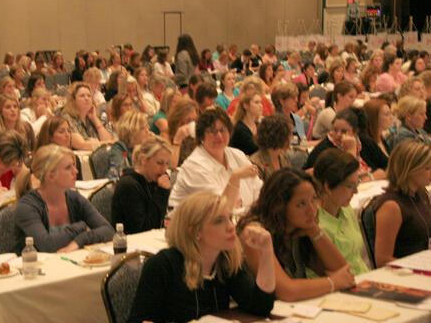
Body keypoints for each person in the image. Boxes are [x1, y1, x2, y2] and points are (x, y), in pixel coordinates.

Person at [128, 191, 275, 323]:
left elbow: (260, 307)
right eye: (219, 221)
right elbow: (139, 320)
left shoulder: (226, 260)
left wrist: (267, 252)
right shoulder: (163, 265)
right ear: (195, 232)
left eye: (230, 218)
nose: (231, 226)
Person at [237, 169, 355, 302]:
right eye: (301, 204)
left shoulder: (299, 227)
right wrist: (333, 283)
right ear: (279, 206)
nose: (311, 210)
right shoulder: (255, 232)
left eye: (313, 199)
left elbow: (342, 270)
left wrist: (314, 231)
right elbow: (285, 291)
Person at [13, 145, 114, 254]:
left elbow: (108, 231)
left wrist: (78, 241)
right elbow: (47, 246)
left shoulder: (74, 198)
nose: (75, 171)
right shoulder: (27, 207)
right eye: (68, 168)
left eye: (73, 166)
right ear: (50, 176)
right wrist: (82, 227)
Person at [169, 107, 263, 210]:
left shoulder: (237, 155)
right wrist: (235, 178)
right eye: (212, 131)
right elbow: (220, 209)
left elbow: (260, 192)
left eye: (223, 130)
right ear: (201, 136)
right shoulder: (194, 166)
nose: (219, 136)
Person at [373, 140, 431, 267]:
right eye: (427, 168)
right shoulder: (391, 206)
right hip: (406, 272)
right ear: (409, 169)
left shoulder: (421, 193)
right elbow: (382, 260)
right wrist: (420, 266)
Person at [313, 149, 370, 275]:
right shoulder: (315, 222)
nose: (356, 192)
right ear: (328, 187)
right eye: (350, 186)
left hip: (362, 277)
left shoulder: (346, 209)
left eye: (357, 184)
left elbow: (356, 258)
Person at [111, 136, 172, 234]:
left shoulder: (154, 181)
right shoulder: (128, 186)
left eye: (167, 164)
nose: (164, 169)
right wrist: (162, 193)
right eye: (160, 163)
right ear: (143, 159)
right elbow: (144, 229)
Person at [304, 108, 388, 179]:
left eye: (344, 131)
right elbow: (341, 179)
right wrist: (350, 149)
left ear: (355, 132)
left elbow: (388, 166)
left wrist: (374, 176)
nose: (338, 135)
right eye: (335, 130)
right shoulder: (324, 149)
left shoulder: (366, 142)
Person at [59, 82, 113, 150]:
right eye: (82, 96)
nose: (86, 98)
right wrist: (106, 144)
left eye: (89, 96)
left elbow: (108, 139)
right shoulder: (67, 118)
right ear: (73, 100)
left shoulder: (93, 117)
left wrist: (95, 119)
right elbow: (81, 145)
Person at [108, 110, 151, 176]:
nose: (148, 131)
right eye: (143, 128)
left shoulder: (146, 147)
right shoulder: (119, 148)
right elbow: (120, 171)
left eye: (147, 127)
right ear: (132, 131)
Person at [250, 114, 292, 181]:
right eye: (290, 134)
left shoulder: (282, 156)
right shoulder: (256, 163)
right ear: (280, 137)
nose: (291, 138)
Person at [167, 98, 198, 168]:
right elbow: (171, 167)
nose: (192, 123)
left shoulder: (194, 136)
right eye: (188, 120)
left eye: (194, 120)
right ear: (178, 119)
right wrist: (177, 140)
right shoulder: (166, 134)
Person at [229, 89, 261, 156]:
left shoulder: (258, 125)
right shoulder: (239, 129)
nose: (260, 105)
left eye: (260, 102)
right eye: (256, 102)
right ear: (246, 105)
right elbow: (256, 150)